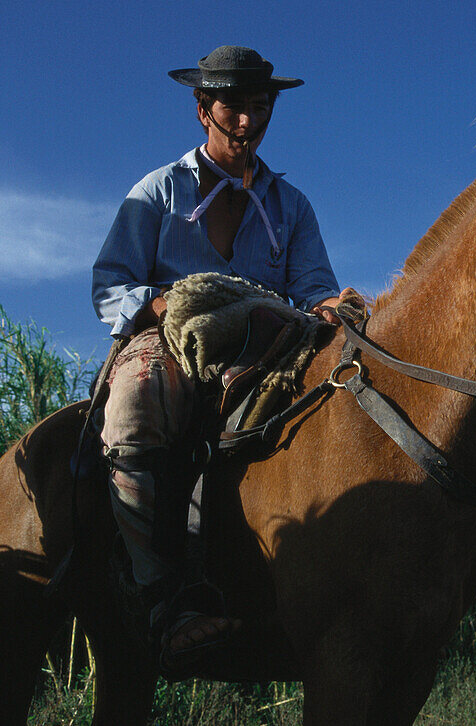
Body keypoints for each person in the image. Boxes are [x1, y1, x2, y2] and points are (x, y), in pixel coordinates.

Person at [92, 45, 344, 667]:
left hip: (263, 338)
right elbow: (111, 285)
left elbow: (314, 288)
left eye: (260, 108)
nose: (247, 123)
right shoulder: (157, 191)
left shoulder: (292, 206)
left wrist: (331, 309)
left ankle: (316, 582)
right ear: (203, 108)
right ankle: (163, 598)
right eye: (233, 107)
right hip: (173, 334)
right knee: (133, 406)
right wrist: (165, 306)